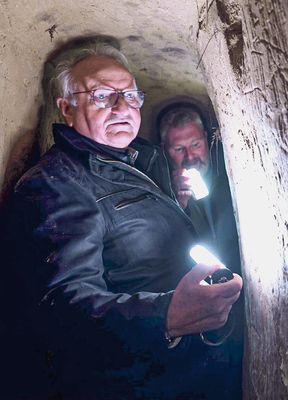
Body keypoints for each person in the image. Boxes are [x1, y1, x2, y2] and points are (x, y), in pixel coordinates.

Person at [1, 41, 243, 399]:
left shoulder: (139, 162)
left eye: (130, 95)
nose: (121, 106)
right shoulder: (55, 185)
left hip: (185, 375)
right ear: (67, 108)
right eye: (101, 95)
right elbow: (61, 312)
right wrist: (167, 316)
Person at [159, 106, 244, 398]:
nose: (190, 157)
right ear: (165, 151)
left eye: (195, 144)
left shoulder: (232, 171)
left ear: (208, 141)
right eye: (178, 148)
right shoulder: (162, 191)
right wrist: (177, 206)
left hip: (242, 303)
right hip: (201, 320)